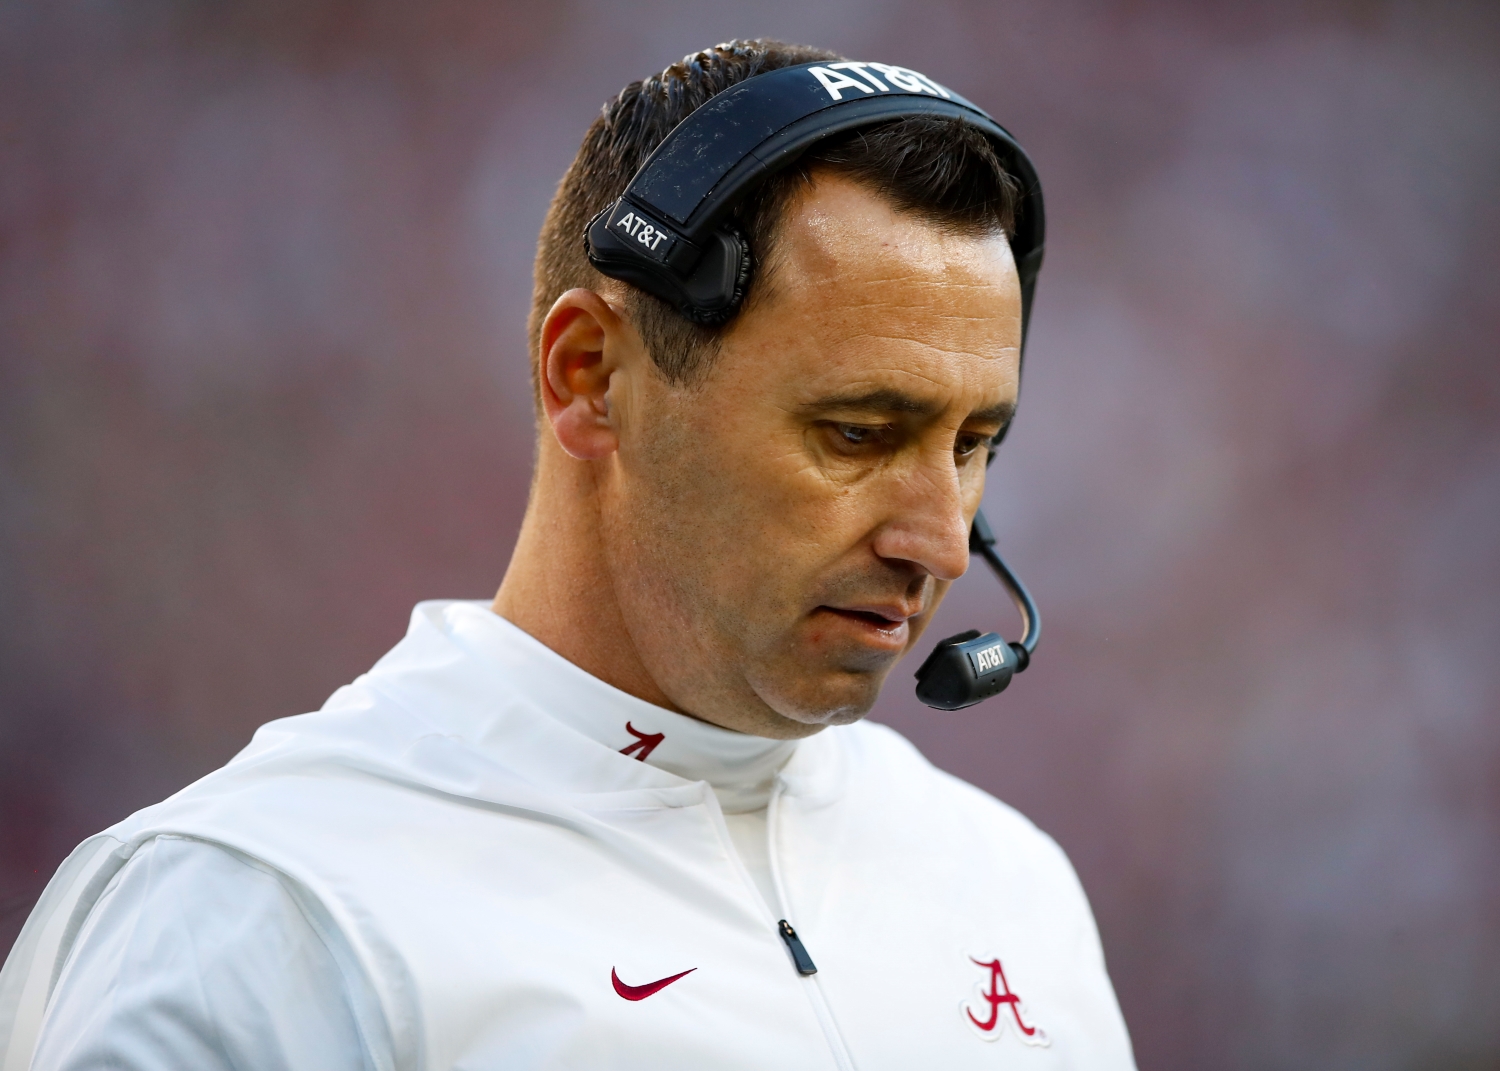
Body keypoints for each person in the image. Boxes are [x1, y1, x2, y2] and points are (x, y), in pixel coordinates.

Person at [0, 39, 1135, 1069]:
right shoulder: (262, 905)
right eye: (855, 433)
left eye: (975, 444)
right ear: (590, 375)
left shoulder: (1010, 886)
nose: (939, 539)